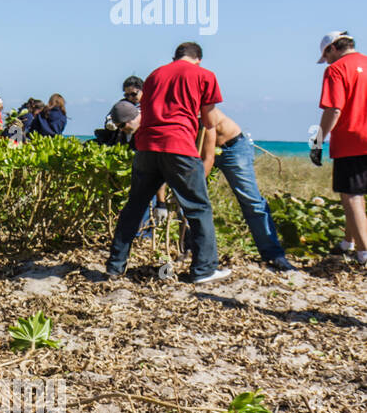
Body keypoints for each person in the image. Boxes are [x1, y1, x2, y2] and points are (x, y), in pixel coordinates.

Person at [105, 42, 231, 283]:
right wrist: (207, 157)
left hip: (147, 146)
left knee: (135, 206)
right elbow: (208, 120)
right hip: (179, 145)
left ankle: (115, 266)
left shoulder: (153, 76)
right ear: (199, 59)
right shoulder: (205, 75)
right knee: (198, 207)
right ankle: (204, 270)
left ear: (174, 57)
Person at [198, 107, 294, 271]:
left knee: (252, 202)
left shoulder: (201, 103)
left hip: (232, 147)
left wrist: (196, 183)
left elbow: (209, 154)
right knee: (192, 201)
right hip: (205, 150)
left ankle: (274, 255)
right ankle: (192, 249)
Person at [313, 31, 367, 265]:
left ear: (332, 49)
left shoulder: (336, 69)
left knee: (352, 195)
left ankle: (364, 253)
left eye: (326, 57)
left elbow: (334, 109)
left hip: (351, 140)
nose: (327, 62)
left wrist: (317, 141)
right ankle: (349, 242)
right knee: (354, 193)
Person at [96, 77, 143, 145]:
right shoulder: (122, 104)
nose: (130, 97)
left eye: (133, 94)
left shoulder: (150, 105)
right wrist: (111, 123)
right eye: (127, 95)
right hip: (123, 139)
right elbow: (110, 116)